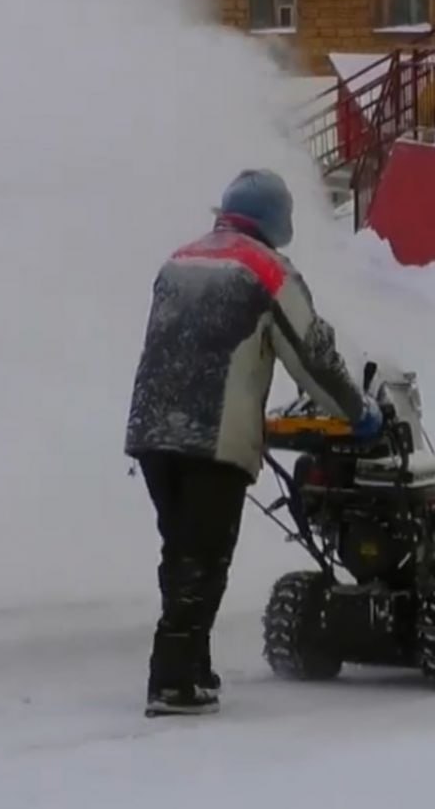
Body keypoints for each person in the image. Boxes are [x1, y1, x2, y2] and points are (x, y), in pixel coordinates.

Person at [124, 168, 382, 717]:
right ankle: (170, 683)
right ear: (276, 222)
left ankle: (193, 667)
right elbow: (313, 356)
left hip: (150, 432)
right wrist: (359, 414)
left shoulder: (180, 259)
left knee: (181, 552)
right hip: (212, 438)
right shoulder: (266, 270)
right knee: (206, 558)